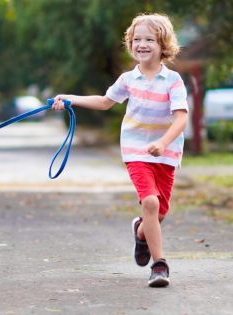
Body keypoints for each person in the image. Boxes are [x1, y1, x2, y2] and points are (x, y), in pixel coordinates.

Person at [51, 13, 188, 288]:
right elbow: (105, 101)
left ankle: (141, 234)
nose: (142, 44)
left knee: (159, 213)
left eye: (149, 39)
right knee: (150, 202)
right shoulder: (129, 79)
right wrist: (70, 99)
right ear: (130, 44)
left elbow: (181, 117)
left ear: (163, 45)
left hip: (166, 153)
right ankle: (159, 265)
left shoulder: (172, 80)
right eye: (137, 39)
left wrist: (162, 143)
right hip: (136, 150)